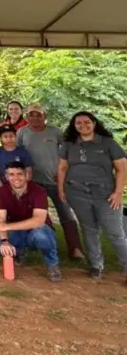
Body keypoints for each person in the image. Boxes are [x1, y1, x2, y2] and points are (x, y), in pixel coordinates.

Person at [57, 111, 127, 280]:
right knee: (89, 230)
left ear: (94, 123)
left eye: (87, 121)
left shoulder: (108, 143)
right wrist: (61, 189)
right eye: (78, 123)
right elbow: (62, 168)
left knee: (115, 232)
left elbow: (122, 169)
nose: (83, 125)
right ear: (74, 126)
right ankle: (96, 266)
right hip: (77, 192)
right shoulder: (68, 144)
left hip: (105, 194)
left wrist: (118, 193)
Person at [17, 103, 84, 259]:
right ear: (27, 117)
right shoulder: (22, 132)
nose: (34, 118)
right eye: (31, 115)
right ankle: (28, 246)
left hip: (55, 182)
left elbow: (68, 151)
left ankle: (75, 248)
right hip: (32, 182)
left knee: (65, 213)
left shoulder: (55, 132)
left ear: (44, 117)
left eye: (38, 115)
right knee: (28, 214)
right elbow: (18, 153)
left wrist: (64, 172)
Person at [0, 161, 62, 282]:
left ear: (27, 175)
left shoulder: (39, 191)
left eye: (20, 174)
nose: (16, 178)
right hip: (17, 231)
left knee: (41, 235)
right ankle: (19, 253)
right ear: (6, 176)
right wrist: (5, 241)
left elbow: (39, 221)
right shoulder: (1, 192)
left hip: (38, 230)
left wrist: (6, 226)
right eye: (11, 174)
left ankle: (52, 264)